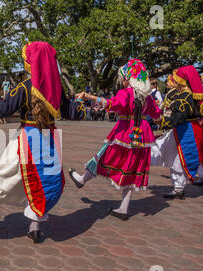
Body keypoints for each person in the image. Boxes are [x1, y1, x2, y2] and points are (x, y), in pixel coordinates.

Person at [0, 42, 86, 243]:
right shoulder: (56, 87)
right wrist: (80, 104)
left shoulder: (24, 87)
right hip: (49, 140)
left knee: (4, 176)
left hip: (27, 138)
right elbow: (71, 112)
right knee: (44, 181)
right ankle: (34, 227)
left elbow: (3, 109)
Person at [69, 59, 161, 221]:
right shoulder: (148, 97)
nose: (121, 80)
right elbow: (157, 116)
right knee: (131, 169)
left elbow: (111, 103)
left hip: (125, 132)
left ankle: (82, 180)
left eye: (122, 78)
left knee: (103, 157)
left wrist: (88, 95)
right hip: (142, 135)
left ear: (127, 79)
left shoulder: (126, 93)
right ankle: (123, 208)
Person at [150, 66, 203, 199]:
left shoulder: (184, 96)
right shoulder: (193, 94)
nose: (173, 82)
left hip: (185, 131)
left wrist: (162, 122)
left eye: (175, 80)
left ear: (180, 81)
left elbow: (179, 117)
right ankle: (178, 188)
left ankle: (178, 188)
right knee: (173, 156)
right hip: (189, 130)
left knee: (171, 154)